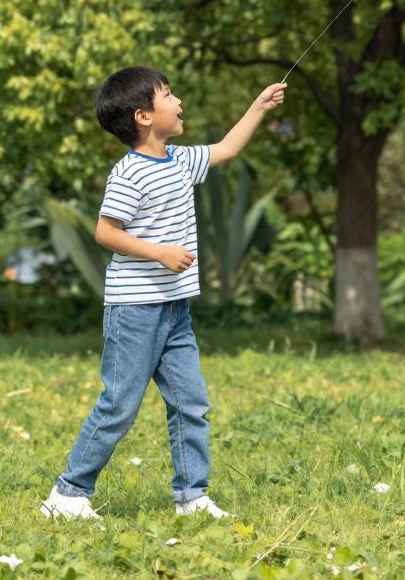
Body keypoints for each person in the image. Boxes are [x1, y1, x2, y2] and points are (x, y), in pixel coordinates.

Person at [39, 66, 287, 521]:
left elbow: (228, 148)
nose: (179, 101)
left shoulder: (180, 161)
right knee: (120, 404)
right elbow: (104, 232)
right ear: (144, 116)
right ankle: (67, 496)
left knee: (191, 402)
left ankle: (191, 498)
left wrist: (259, 106)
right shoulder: (129, 173)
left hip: (174, 311)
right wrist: (158, 252)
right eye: (168, 95)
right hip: (134, 311)